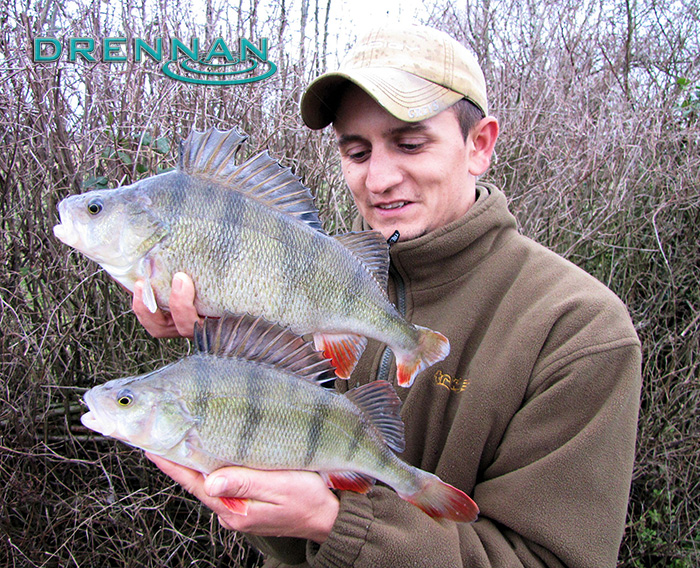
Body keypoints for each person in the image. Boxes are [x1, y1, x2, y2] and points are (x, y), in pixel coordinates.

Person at [134, 24, 642, 568]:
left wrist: (335, 522)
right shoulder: (325, 287)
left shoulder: (579, 331)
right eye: (356, 152)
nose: (378, 179)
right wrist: (230, 341)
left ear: (479, 145)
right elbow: (287, 539)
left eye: (409, 143)